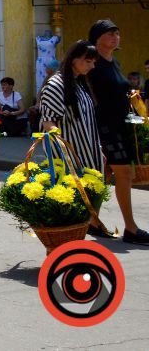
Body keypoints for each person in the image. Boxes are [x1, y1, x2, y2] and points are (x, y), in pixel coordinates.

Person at [87, 20, 149, 245]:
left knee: (105, 175)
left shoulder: (114, 62)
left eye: (117, 33)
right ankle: (131, 228)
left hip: (121, 125)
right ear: (97, 38)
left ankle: (92, 221)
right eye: (110, 33)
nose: (115, 37)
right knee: (124, 174)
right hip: (105, 127)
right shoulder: (92, 64)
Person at [38, 41, 104, 237]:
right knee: (73, 204)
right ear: (74, 59)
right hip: (71, 157)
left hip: (89, 152)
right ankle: (71, 241)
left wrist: (98, 150)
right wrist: (65, 152)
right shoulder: (56, 84)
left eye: (93, 62)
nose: (92, 66)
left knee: (87, 201)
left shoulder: (78, 82)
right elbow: (48, 122)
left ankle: (88, 227)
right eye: (88, 61)